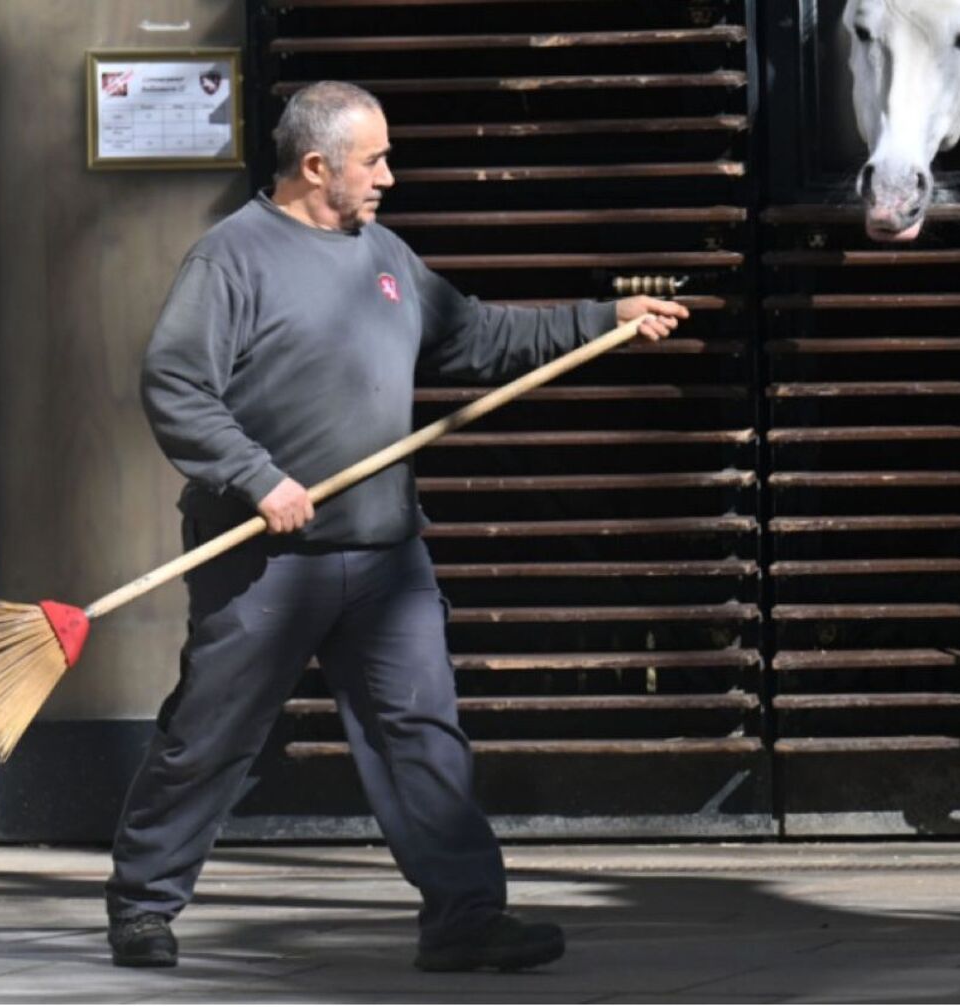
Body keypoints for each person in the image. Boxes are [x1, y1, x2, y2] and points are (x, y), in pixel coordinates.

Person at [108, 80, 689, 972]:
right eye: (373, 158)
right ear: (316, 164)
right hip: (268, 559)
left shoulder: (385, 255)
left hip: (386, 551)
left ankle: (465, 917)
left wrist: (600, 320)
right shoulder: (232, 259)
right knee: (213, 732)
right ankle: (143, 907)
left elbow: (477, 337)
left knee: (421, 733)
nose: (388, 175)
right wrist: (259, 478)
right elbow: (176, 386)